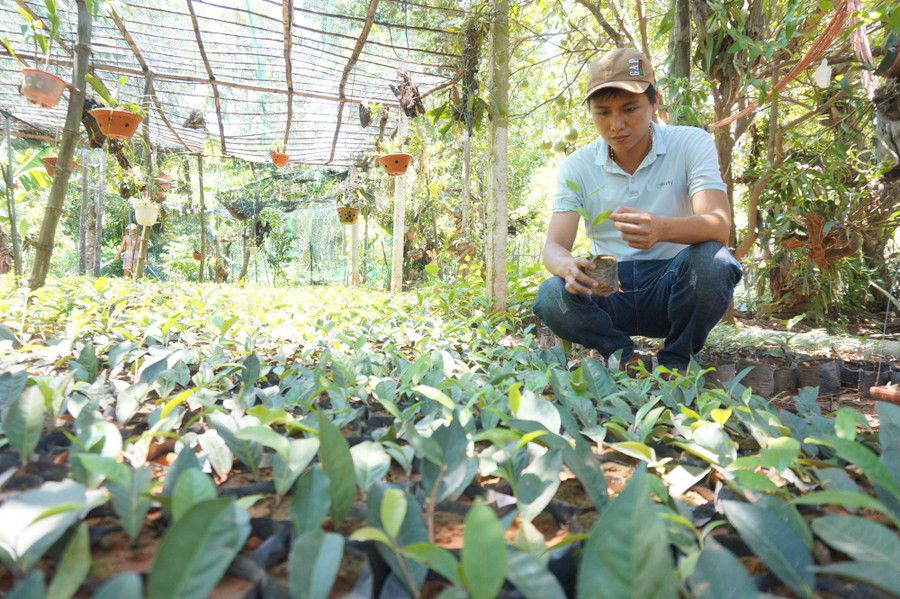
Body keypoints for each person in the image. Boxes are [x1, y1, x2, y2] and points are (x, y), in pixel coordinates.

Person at [532, 47, 742, 372]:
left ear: (654, 101)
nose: (617, 125)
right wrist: (567, 267)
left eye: (630, 109)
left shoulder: (691, 143)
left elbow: (718, 227)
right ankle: (622, 357)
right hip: (608, 287)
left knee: (714, 262)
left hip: (673, 281)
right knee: (551, 295)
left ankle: (677, 362)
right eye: (603, 113)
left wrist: (663, 229)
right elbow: (554, 247)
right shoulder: (577, 166)